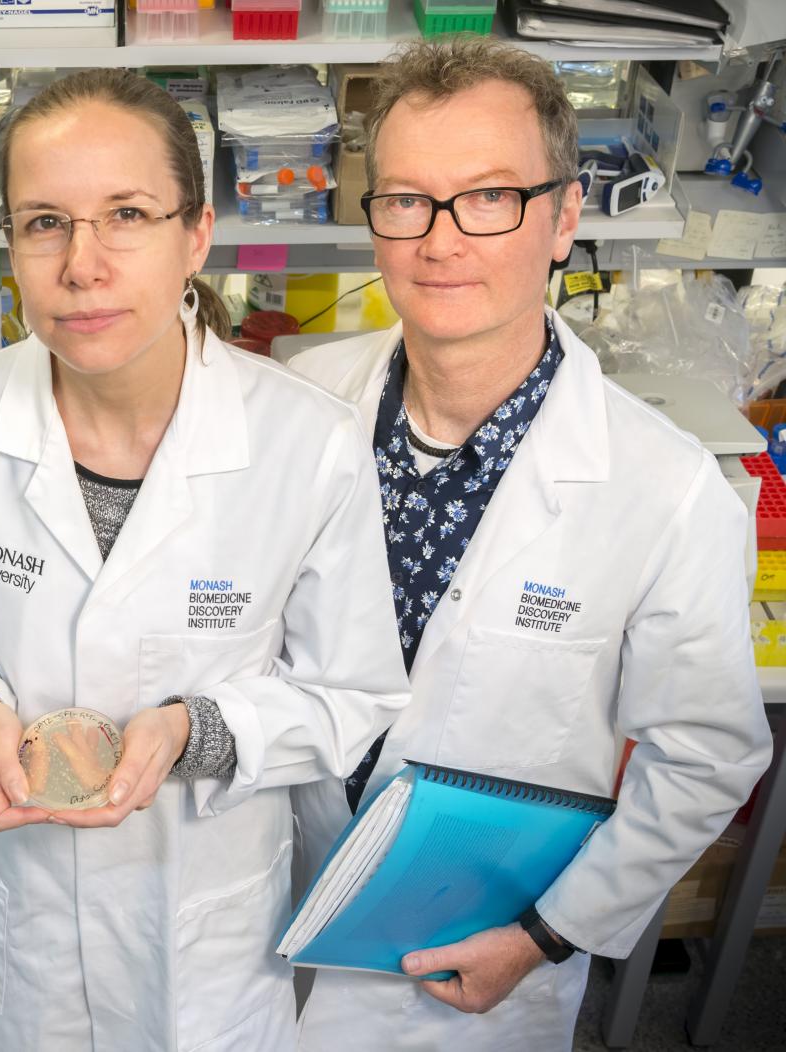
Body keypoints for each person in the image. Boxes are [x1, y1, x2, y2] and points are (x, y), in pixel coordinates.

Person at [0, 69, 410, 1051]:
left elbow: (349, 692)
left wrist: (192, 732)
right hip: (9, 927)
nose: (82, 264)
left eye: (126, 215)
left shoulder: (305, 444)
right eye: (43, 222)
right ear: (11, 243)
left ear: (196, 234)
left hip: (198, 931)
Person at [289, 38, 772, 1051]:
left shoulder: (668, 492)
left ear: (561, 219)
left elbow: (705, 756)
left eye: (491, 198)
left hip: (470, 962)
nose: (441, 238)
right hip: (258, 914)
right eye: (408, 198)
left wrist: (548, 932)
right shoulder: (294, 401)